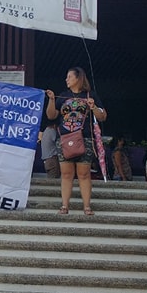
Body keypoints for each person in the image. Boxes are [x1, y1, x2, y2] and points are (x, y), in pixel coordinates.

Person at [45, 66, 107, 215]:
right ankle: (64, 205)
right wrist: (52, 100)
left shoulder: (90, 95)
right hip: (65, 138)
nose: (66, 79)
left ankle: (87, 206)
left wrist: (93, 108)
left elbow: (103, 116)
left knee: (84, 173)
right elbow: (51, 115)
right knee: (66, 174)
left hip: (84, 138)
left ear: (78, 78)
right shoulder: (63, 96)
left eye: (69, 77)